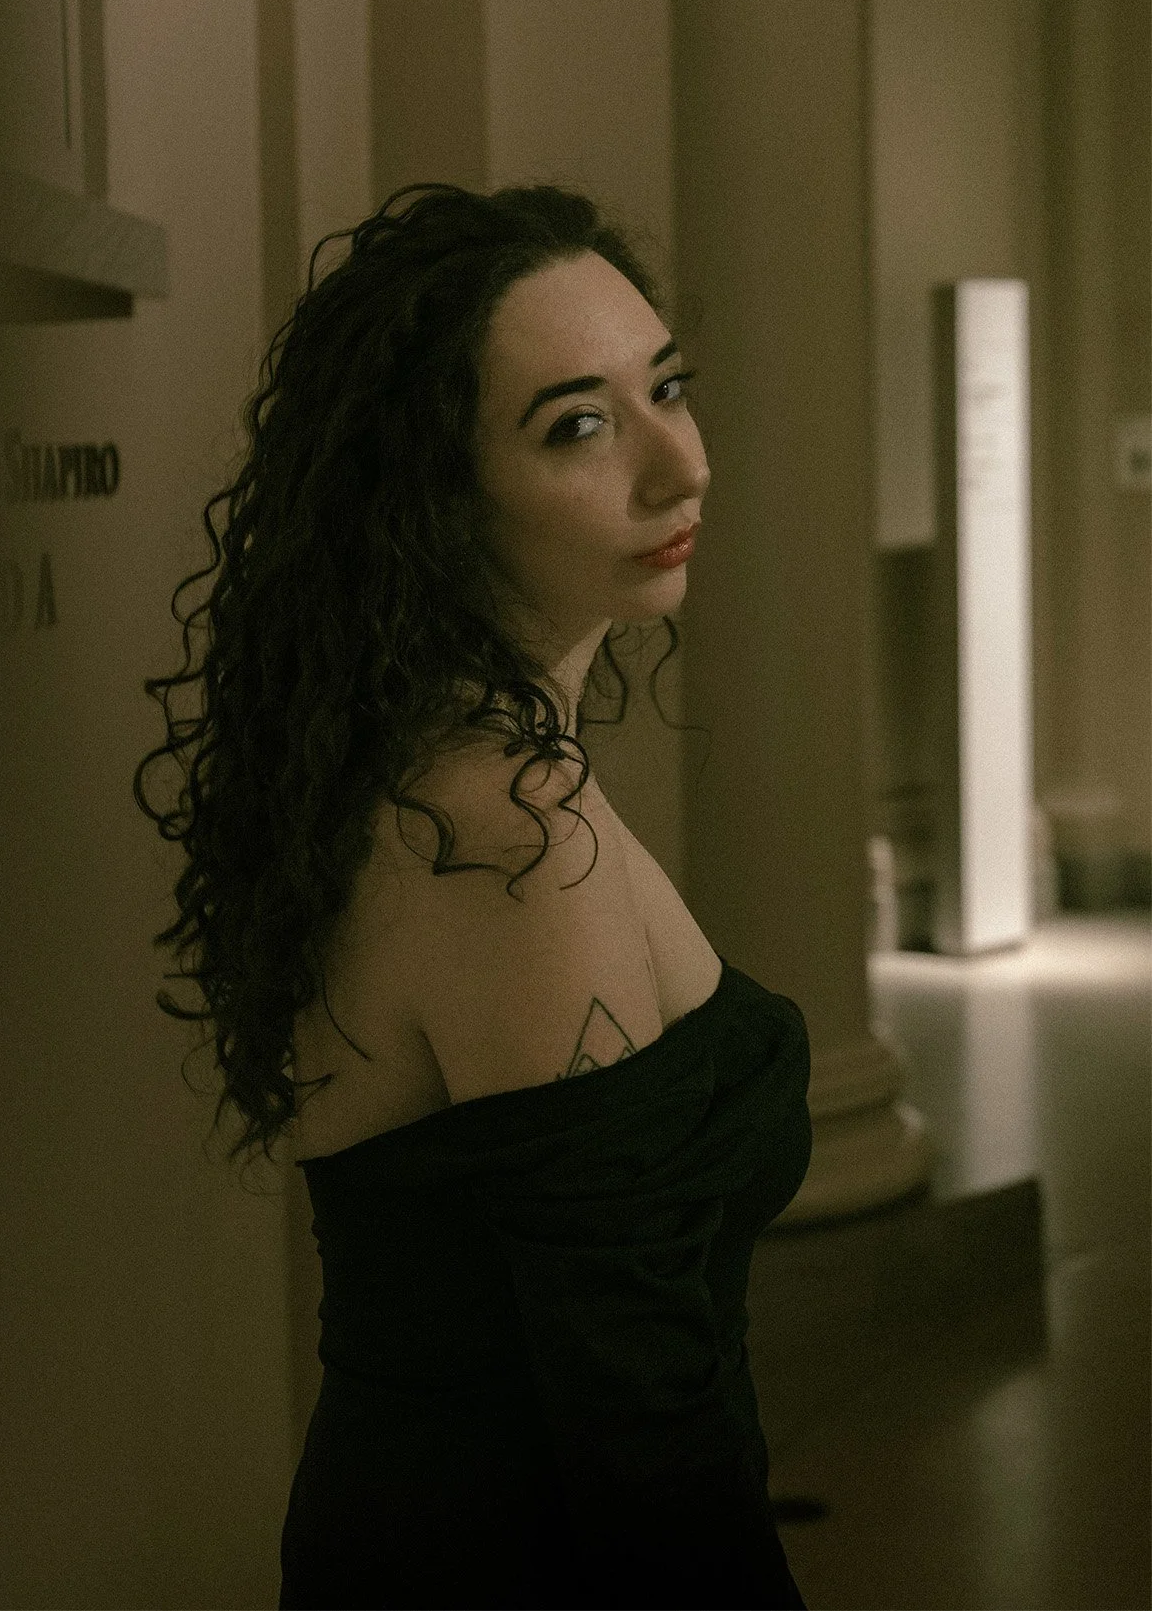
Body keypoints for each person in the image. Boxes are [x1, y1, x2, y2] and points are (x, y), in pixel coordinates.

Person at [134, 182, 812, 1609]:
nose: (677, 464)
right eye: (578, 425)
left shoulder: (472, 763)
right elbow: (643, 1429)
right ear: (433, 496)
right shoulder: (496, 832)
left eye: (666, 389)